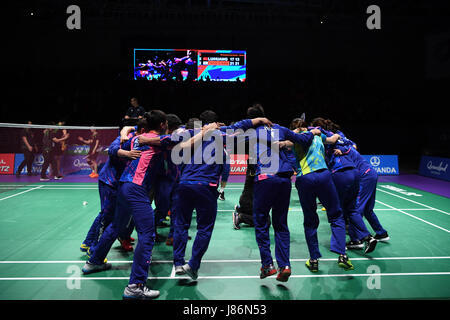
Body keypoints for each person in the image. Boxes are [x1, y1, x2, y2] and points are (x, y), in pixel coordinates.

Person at [246, 118, 322, 282]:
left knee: (261, 222)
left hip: (265, 178)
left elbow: (230, 135)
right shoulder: (279, 127)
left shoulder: (252, 131)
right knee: (280, 224)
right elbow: (303, 139)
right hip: (284, 180)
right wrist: (312, 132)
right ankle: (285, 265)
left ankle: (267, 265)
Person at [278, 118, 354, 273]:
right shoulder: (318, 135)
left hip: (304, 179)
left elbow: (284, 144)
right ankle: (342, 254)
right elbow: (333, 139)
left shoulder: (293, 137)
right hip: (323, 176)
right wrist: (339, 136)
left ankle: (313, 260)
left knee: (310, 220)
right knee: (336, 215)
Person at [79, 122, 143, 254]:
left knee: (105, 214)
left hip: (118, 182)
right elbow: (112, 149)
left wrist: (125, 130)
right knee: (107, 215)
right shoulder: (126, 138)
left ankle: (87, 242)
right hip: (109, 181)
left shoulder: (140, 135)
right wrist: (127, 153)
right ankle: (94, 248)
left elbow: (128, 127)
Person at [232, 103, 265, 229]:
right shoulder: (257, 131)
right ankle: (242, 214)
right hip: (256, 167)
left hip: (257, 166)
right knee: (265, 220)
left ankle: (243, 209)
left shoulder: (252, 130)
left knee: (251, 189)